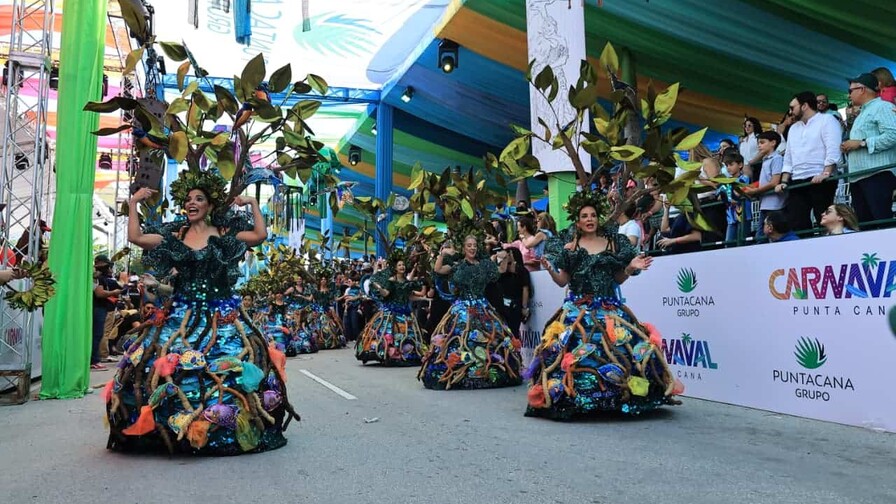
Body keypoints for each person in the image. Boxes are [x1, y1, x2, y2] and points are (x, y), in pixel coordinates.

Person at [105, 171, 298, 455]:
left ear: (210, 205)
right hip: (180, 316)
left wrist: (253, 205)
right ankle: (166, 426)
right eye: (188, 199)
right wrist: (133, 203)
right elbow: (136, 236)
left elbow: (259, 235)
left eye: (199, 198)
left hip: (222, 318)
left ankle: (223, 425)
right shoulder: (175, 235)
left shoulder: (224, 234)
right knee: (157, 364)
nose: (192, 203)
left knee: (230, 365)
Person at [525, 190, 679, 420]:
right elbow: (563, 282)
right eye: (584, 216)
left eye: (593, 215)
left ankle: (621, 394)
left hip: (609, 311)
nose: (589, 219)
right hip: (576, 313)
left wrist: (629, 268)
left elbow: (618, 278)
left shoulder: (613, 243)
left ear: (598, 218)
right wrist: (549, 268)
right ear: (577, 221)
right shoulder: (570, 247)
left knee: (622, 349)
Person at [418, 234, 523, 390]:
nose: (472, 248)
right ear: (464, 248)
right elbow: (438, 270)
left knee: (489, 337)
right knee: (460, 337)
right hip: (462, 309)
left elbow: (500, 269)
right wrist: (443, 254)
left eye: (474, 245)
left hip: (482, 307)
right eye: (469, 245)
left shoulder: (484, 265)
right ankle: (462, 368)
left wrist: (503, 252)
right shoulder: (457, 265)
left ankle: (487, 368)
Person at [839, 73, 896, 227]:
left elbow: (893, 135)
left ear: (862, 89)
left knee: (882, 221)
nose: (849, 94)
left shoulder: (883, 106)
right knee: (866, 225)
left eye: (851, 90)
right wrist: (850, 145)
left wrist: (862, 143)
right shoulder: (862, 113)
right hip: (859, 177)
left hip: (877, 175)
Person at [356, 251, 427, 366]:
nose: (402, 267)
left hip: (405, 314)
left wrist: (424, 299)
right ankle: (388, 352)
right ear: (395, 267)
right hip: (392, 314)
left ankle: (406, 353)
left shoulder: (407, 282)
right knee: (389, 333)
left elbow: (409, 297)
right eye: (399, 265)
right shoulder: (391, 281)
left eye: (403, 265)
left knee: (407, 333)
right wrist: (379, 287)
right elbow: (386, 294)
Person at [743, 131, 786, 241]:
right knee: (762, 235)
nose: (759, 145)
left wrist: (755, 191)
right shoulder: (766, 159)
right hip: (765, 203)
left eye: (762, 142)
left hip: (775, 205)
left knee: (768, 235)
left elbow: (774, 182)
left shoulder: (776, 158)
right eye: (758, 143)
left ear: (773, 143)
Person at [92, 254, 121, 371]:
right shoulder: (98, 276)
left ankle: (96, 358)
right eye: (106, 265)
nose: (108, 268)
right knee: (97, 334)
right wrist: (113, 292)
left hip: (101, 307)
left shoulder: (100, 277)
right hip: (98, 307)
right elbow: (99, 293)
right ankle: (94, 360)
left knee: (98, 334)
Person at [284, 276, 318, 355]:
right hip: (294, 310)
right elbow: (284, 294)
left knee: (304, 326)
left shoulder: (305, 289)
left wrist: (302, 297)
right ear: (295, 280)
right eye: (297, 279)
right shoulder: (292, 289)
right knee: (294, 325)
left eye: (300, 279)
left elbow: (309, 299)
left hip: (303, 310)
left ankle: (304, 344)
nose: (299, 280)